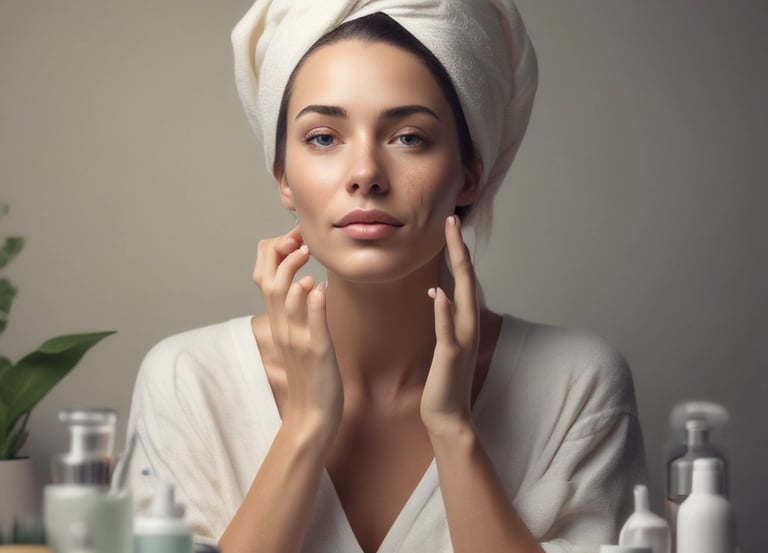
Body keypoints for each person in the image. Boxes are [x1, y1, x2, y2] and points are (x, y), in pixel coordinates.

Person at [126, 1, 646, 552]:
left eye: (409, 137)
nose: (366, 175)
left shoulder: (576, 385)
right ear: (283, 177)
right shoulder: (188, 383)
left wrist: (453, 430)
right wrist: (304, 426)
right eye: (324, 137)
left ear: (469, 176)